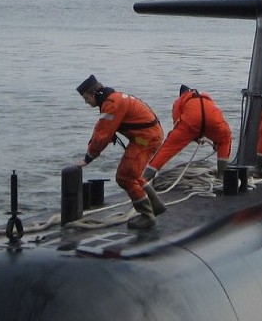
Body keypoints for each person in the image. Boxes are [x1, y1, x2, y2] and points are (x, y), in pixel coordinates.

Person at [77, 74, 166, 229]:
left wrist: (88, 158)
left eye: (86, 98)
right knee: (134, 175)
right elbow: (106, 128)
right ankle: (156, 205)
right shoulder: (114, 98)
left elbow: (102, 134)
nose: (86, 102)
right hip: (147, 138)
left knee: (124, 177)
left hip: (145, 139)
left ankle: (147, 216)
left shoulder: (111, 104)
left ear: (94, 94)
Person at [144, 85, 233, 183]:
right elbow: (212, 115)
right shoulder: (206, 98)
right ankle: (221, 176)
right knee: (225, 140)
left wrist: (192, 136)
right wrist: (216, 141)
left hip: (190, 122)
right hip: (213, 120)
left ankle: (144, 180)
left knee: (167, 149)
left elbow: (177, 123)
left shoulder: (179, 101)